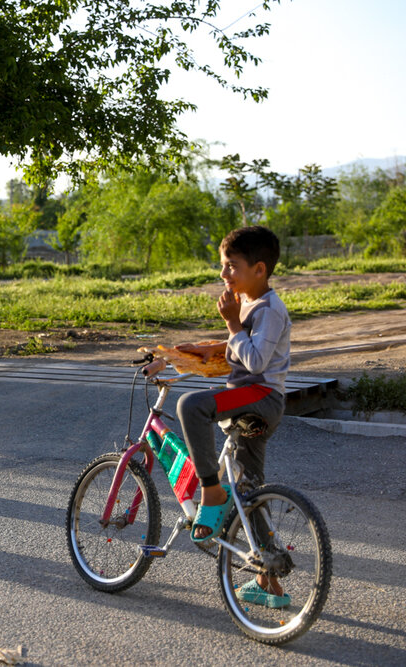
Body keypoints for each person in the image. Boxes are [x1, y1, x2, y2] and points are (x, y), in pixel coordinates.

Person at [174, 226, 292, 608]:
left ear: (259, 269)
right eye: (223, 265)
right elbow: (244, 346)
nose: (224, 274)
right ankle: (269, 579)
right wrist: (210, 348)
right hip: (254, 403)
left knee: (191, 406)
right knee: (249, 495)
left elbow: (256, 360)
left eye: (232, 266)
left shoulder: (269, 308)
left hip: (259, 398)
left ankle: (210, 489)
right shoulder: (249, 304)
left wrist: (230, 324)